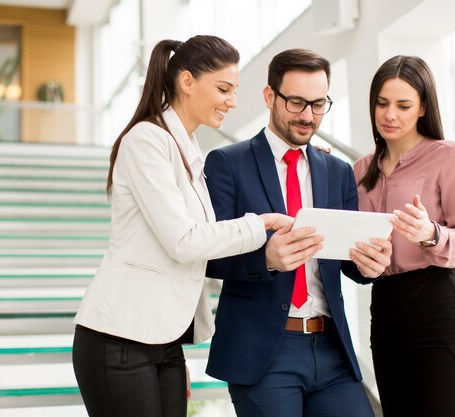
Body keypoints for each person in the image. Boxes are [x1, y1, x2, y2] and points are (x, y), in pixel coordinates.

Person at [71, 35, 293, 417]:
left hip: (162, 340)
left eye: (235, 90)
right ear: (187, 82)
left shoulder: (190, 151)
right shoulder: (146, 140)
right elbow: (184, 241)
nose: (232, 101)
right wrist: (259, 225)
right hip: (118, 339)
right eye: (223, 89)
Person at [204, 48, 392, 417]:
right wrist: (266, 260)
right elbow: (209, 256)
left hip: (331, 347)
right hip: (263, 351)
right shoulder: (227, 163)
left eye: (318, 104)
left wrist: (371, 265)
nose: (308, 116)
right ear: (269, 96)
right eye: (296, 103)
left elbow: (347, 260)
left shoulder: (338, 172)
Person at [354, 55, 455, 417]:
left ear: (423, 107)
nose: (389, 115)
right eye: (382, 103)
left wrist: (431, 234)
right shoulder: (360, 170)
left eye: (403, 105)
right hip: (386, 314)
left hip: (441, 309)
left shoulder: (450, 156)